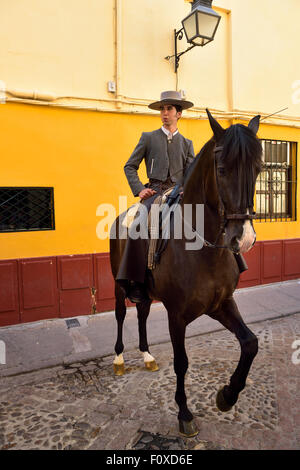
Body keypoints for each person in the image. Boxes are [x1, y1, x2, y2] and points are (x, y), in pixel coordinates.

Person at [116, 90, 195, 302]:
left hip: (178, 193)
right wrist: (140, 189)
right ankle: (136, 282)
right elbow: (129, 166)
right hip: (154, 192)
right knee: (137, 226)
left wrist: (186, 188)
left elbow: (191, 174)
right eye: (162, 109)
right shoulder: (148, 138)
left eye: (169, 109)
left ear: (179, 114)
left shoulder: (187, 144)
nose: (164, 113)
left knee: (205, 219)